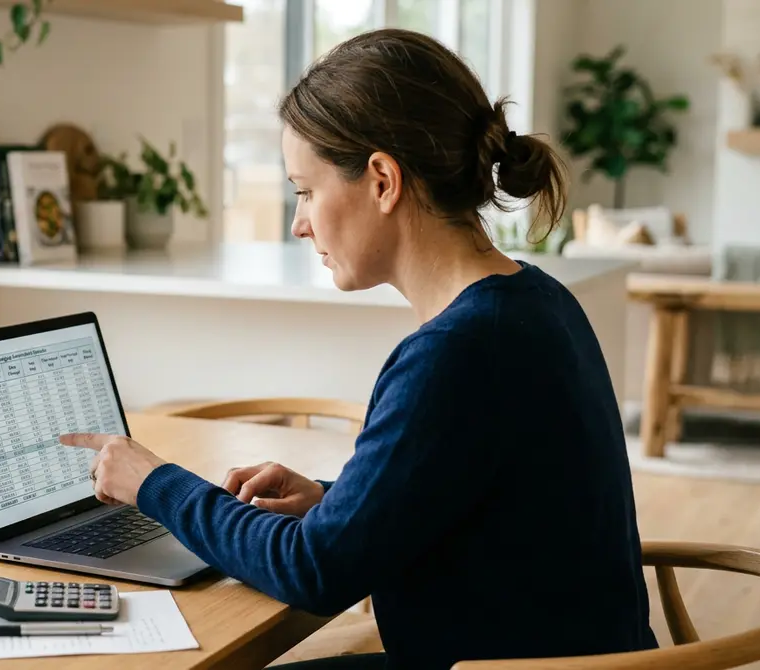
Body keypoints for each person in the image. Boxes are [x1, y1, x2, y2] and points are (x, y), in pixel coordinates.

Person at [60, 28, 657, 670]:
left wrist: (155, 483)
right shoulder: (536, 300)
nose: (299, 222)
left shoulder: (455, 352)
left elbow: (313, 573)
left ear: (381, 180)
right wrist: (335, 503)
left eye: (306, 191)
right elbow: (483, 495)